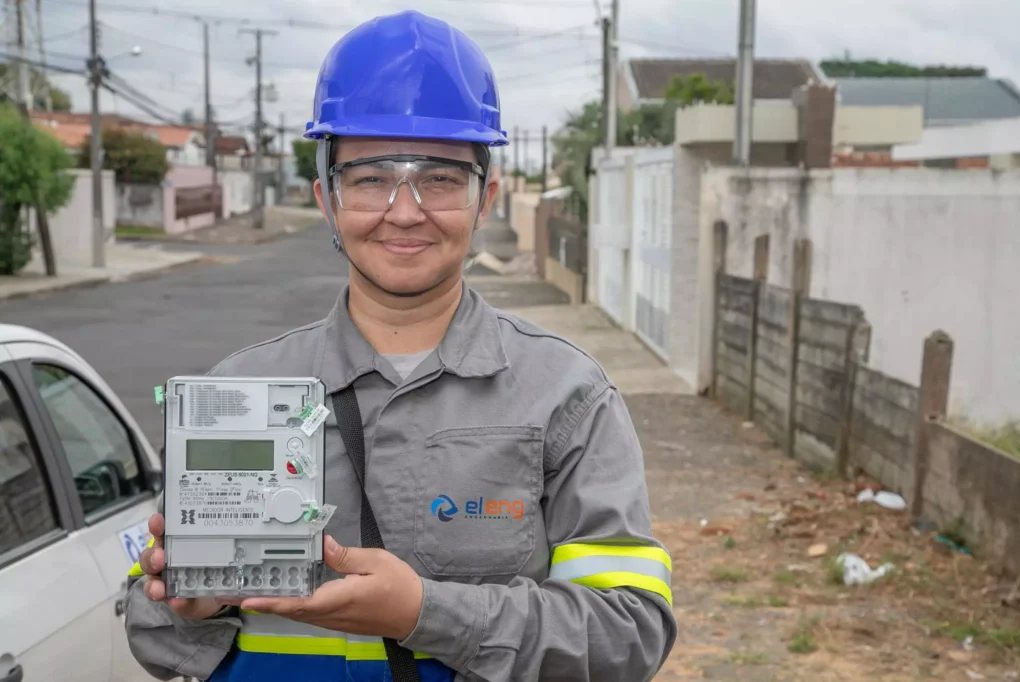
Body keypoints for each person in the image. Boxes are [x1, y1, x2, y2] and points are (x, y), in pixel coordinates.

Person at [124, 9, 676, 682]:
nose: (406, 210)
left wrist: (422, 611)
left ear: (486, 199)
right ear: (328, 198)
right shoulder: (242, 388)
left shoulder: (565, 396)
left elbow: (629, 635)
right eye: (371, 178)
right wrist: (191, 605)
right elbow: (150, 633)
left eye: (439, 177)